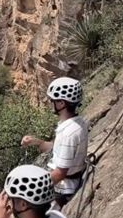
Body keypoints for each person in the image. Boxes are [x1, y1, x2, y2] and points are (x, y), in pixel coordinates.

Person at [21, 76, 88, 208]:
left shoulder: (69, 133)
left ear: (61, 103)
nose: (50, 103)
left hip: (62, 190)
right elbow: (58, 148)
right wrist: (36, 142)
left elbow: (60, 173)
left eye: (53, 100)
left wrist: (32, 187)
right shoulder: (77, 122)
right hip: (62, 183)